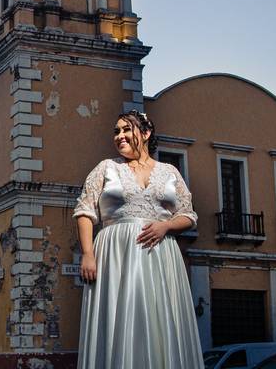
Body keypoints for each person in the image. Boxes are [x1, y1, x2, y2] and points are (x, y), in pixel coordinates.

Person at [73, 110, 204, 368]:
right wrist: (88, 254)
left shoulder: (169, 172)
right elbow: (85, 211)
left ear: (145, 134)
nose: (119, 136)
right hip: (115, 255)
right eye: (116, 131)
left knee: (160, 320)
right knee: (118, 318)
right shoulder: (106, 168)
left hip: (160, 256)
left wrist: (166, 226)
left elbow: (188, 215)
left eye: (126, 130)